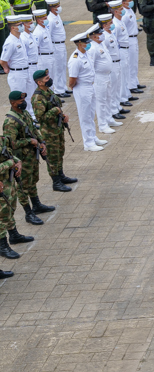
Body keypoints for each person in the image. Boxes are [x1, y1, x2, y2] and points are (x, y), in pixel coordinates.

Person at [4, 89, 53, 225]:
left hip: (31, 156)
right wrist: (29, 142)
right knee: (22, 186)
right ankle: (28, 213)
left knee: (32, 181)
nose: (23, 103)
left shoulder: (24, 114)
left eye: (24, 100)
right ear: (13, 103)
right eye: (20, 101)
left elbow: (33, 130)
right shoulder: (10, 122)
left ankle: (36, 205)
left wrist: (41, 142)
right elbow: (11, 144)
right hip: (22, 159)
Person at [31, 69, 74, 193]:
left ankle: (61, 176)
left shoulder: (48, 91)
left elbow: (56, 106)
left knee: (60, 153)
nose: (49, 79)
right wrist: (56, 111)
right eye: (46, 79)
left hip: (57, 129)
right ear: (39, 83)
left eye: (48, 77)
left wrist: (63, 116)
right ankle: (56, 182)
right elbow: (41, 118)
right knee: (52, 157)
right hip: (49, 133)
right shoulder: (38, 97)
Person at [67, 31, 103, 152]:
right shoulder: (75, 59)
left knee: (91, 114)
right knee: (85, 116)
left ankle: (92, 137)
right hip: (82, 88)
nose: (88, 44)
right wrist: (74, 87)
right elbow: (72, 80)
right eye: (86, 43)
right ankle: (88, 143)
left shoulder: (86, 54)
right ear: (80, 44)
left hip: (90, 86)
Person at [0, 134, 31, 269]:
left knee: (10, 209)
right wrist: (10, 163)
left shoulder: (2, 140)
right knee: (1, 216)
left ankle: (14, 235)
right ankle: (3, 245)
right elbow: (8, 161)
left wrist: (17, 161)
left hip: (7, 181)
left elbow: (9, 154)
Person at [87, 23, 118, 134]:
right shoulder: (92, 48)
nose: (102, 35)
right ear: (94, 36)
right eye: (100, 33)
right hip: (99, 77)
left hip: (106, 75)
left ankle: (109, 119)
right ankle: (102, 125)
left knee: (108, 98)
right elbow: (91, 65)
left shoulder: (100, 44)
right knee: (101, 101)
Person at [98, 12, 128, 123]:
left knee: (117, 87)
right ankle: (113, 111)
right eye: (110, 23)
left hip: (117, 63)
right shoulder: (105, 37)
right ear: (104, 25)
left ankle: (117, 107)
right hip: (112, 65)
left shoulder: (111, 34)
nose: (112, 24)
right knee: (113, 89)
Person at [116, 0, 144, 93]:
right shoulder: (124, 14)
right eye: (129, 1)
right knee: (131, 63)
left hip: (134, 38)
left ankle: (134, 81)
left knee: (134, 62)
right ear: (123, 3)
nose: (131, 2)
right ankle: (131, 85)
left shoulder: (129, 10)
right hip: (129, 39)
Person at [1, 17, 30, 99]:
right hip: (17, 74)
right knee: (19, 99)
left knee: (28, 97)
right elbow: (3, 60)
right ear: (13, 28)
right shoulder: (10, 42)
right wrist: (6, 68)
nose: (22, 26)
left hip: (25, 71)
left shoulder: (19, 38)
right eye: (19, 25)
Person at [44, 0, 69, 97]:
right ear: (52, 8)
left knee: (63, 66)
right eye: (57, 6)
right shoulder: (50, 19)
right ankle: (58, 90)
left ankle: (63, 87)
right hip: (56, 45)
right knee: (58, 68)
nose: (59, 8)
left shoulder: (57, 16)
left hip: (62, 44)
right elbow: (49, 35)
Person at [30, 10, 54, 96]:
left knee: (51, 78)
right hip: (44, 58)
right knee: (46, 79)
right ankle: (47, 97)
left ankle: (51, 96)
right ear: (39, 20)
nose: (47, 20)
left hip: (50, 56)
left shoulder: (45, 28)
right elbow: (35, 48)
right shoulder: (38, 32)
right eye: (44, 18)